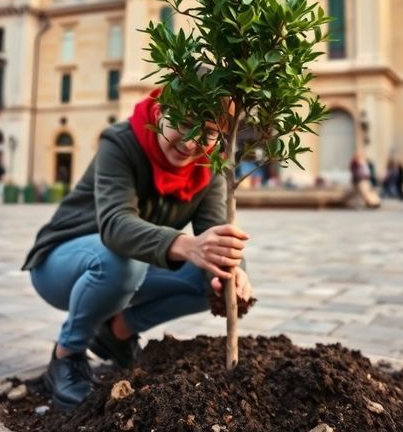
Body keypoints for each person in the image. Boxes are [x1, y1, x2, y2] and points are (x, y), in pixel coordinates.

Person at [22, 89, 253, 410]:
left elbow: (214, 235)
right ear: (161, 112)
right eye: (185, 123)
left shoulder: (210, 165)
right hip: (60, 264)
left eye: (208, 133)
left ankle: (117, 333)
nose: (191, 143)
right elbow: (116, 225)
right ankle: (66, 356)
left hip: (132, 267)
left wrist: (233, 271)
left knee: (214, 277)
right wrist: (186, 245)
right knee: (123, 260)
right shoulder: (121, 142)